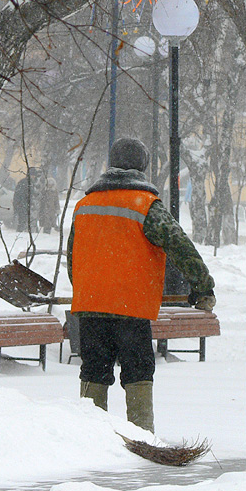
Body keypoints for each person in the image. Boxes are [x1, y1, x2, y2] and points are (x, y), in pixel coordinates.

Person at [67, 137, 215, 433]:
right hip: (130, 308)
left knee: (94, 372)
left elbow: (72, 257)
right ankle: (142, 437)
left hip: (91, 306)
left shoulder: (84, 205)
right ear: (143, 167)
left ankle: (90, 439)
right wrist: (202, 286)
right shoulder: (146, 205)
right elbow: (180, 246)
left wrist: (90, 288)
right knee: (137, 373)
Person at [13, 167, 44, 232]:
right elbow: (20, 196)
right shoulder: (26, 183)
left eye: (34, 175)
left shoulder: (31, 183)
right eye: (32, 175)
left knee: (25, 222)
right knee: (23, 222)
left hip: (26, 206)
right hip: (24, 206)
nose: (33, 177)